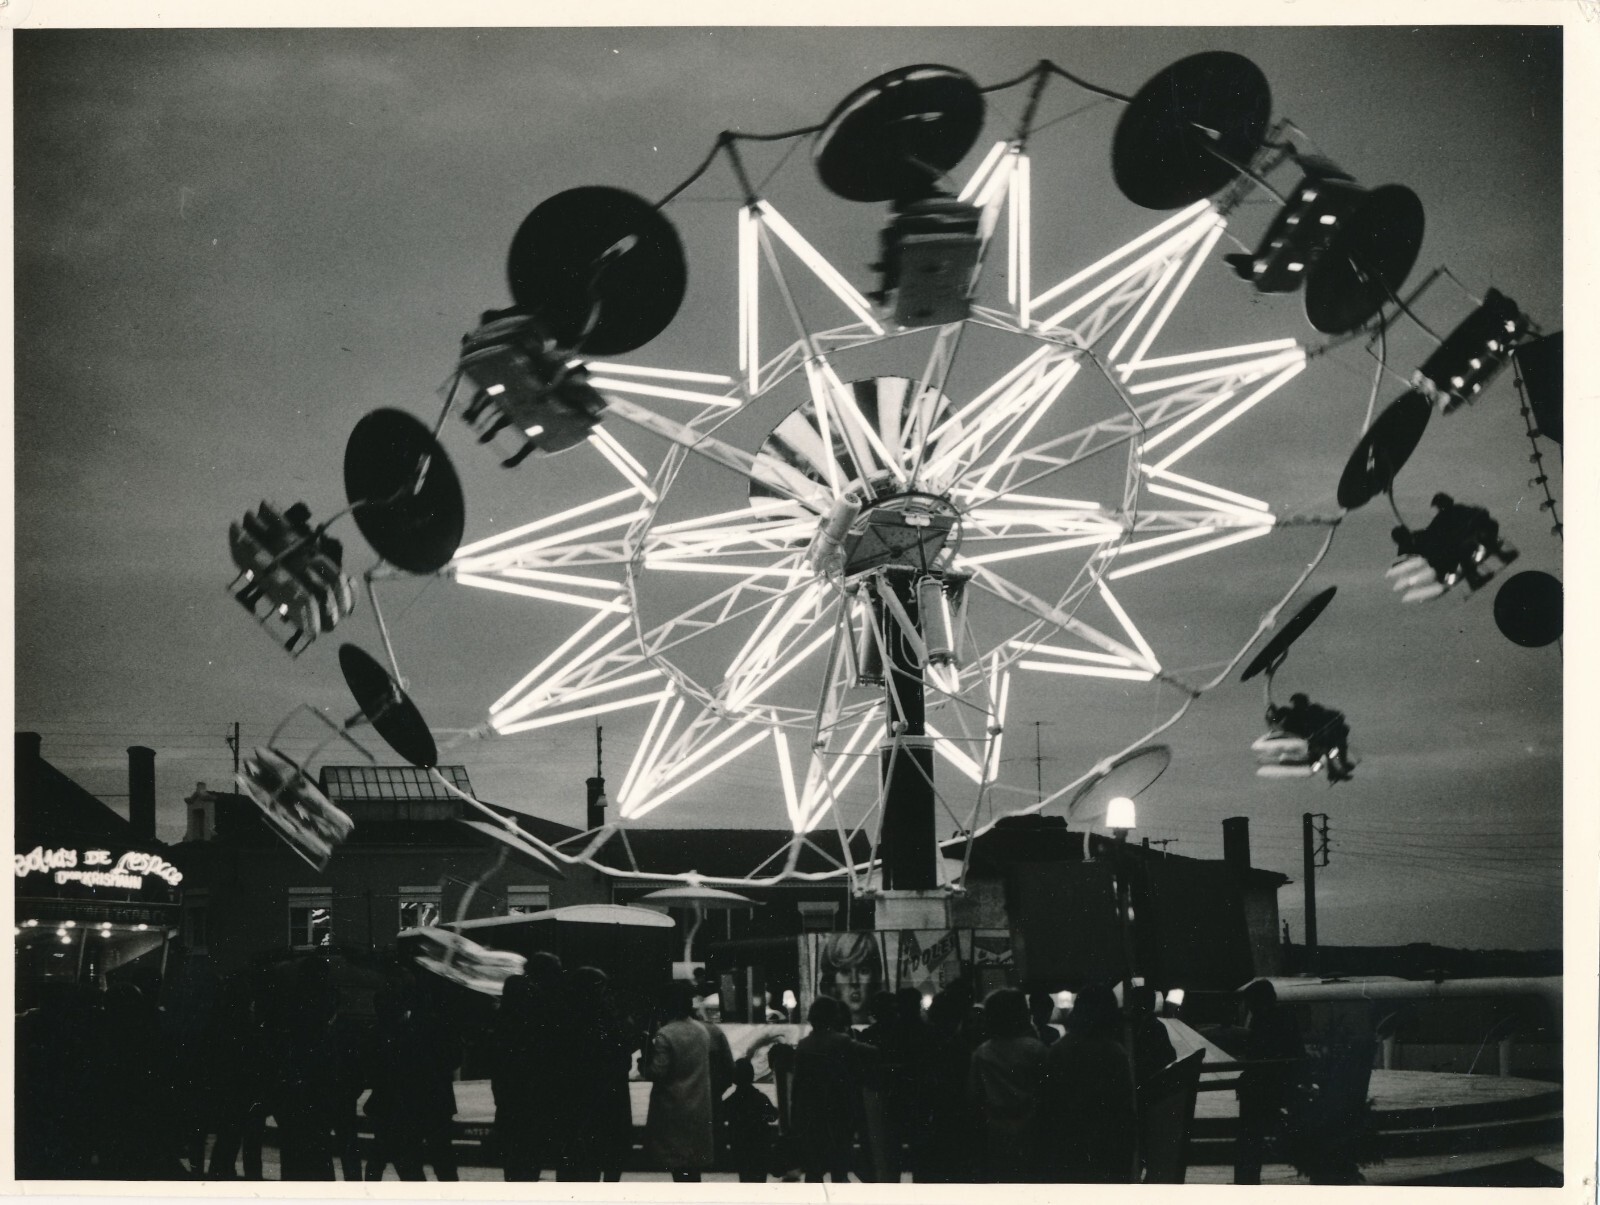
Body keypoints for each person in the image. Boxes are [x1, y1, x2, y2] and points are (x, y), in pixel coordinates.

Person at [1039, 984, 1138, 1183]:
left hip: (1068, 1142)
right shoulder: (1115, 1053)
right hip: (1106, 1143)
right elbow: (1124, 1106)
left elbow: (1048, 1101)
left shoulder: (1059, 1050)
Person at [562, 966, 636, 1181]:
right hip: (611, 1095)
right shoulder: (611, 1020)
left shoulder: (568, 1017)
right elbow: (624, 1059)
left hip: (582, 1097)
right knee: (611, 1153)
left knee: (587, 1157)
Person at [967, 988, 1049, 1183]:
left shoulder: (982, 1052)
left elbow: (973, 1095)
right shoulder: (1035, 1049)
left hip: (995, 1131)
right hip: (1032, 1128)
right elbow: (1048, 1091)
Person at [641, 981, 720, 1182]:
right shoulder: (702, 1031)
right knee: (693, 1167)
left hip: (672, 1107)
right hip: (698, 1103)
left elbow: (657, 1072)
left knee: (678, 1165)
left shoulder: (666, 1034)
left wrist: (644, 1062)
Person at [790, 996, 873, 1183]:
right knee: (839, 1167)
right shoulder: (842, 1041)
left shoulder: (804, 1045)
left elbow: (798, 1085)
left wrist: (795, 1117)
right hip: (838, 1111)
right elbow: (871, 1053)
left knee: (813, 1170)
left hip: (811, 1113)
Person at [1234, 980, 1305, 1185]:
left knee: (1250, 1138)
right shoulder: (1282, 1018)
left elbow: (1259, 1055)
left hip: (1265, 1086)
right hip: (1275, 1083)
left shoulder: (1265, 1020)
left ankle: (1247, 1179)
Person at [1267, 693, 1354, 783]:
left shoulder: (1313, 709)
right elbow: (1276, 720)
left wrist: (1337, 715)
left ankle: (1341, 765)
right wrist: (1272, 713)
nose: (1301, 704)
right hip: (1304, 740)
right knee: (1321, 752)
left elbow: (1326, 714)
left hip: (1317, 736)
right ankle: (1332, 771)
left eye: (1303, 702)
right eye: (1298, 702)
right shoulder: (1289, 712)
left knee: (1337, 743)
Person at [723, 1057, 779, 1182]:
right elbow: (772, 1116)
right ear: (752, 1075)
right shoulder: (760, 1098)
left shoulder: (732, 1101)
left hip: (740, 1147)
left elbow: (723, 1115)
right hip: (760, 1147)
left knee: (744, 1178)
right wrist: (760, 1117)